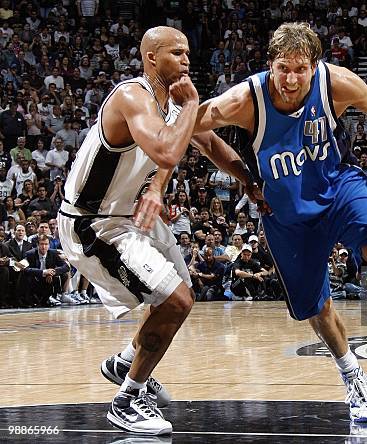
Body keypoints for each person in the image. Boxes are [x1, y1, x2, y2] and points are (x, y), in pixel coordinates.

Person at [158, 22, 367, 422]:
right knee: (318, 306)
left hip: (337, 186)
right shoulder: (245, 99)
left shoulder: (336, 84)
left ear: (315, 65)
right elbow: (189, 126)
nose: (291, 79)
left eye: (300, 69)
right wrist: (237, 174)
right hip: (286, 213)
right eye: (282, 68)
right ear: (270, 65)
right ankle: (353, 374)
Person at [56, 27, 234, 435]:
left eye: (189, 52)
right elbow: (169, 150)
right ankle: (128, 399)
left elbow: (211, 146)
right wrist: (190, 104)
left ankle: (124, 364)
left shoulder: (171, 104)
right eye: (177, 53)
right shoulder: (131, 95)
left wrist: (251, 183)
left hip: (128, 219)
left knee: (179, 297)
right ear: (152, 58)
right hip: (91, 222)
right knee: (176, 301)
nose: (187, 61)